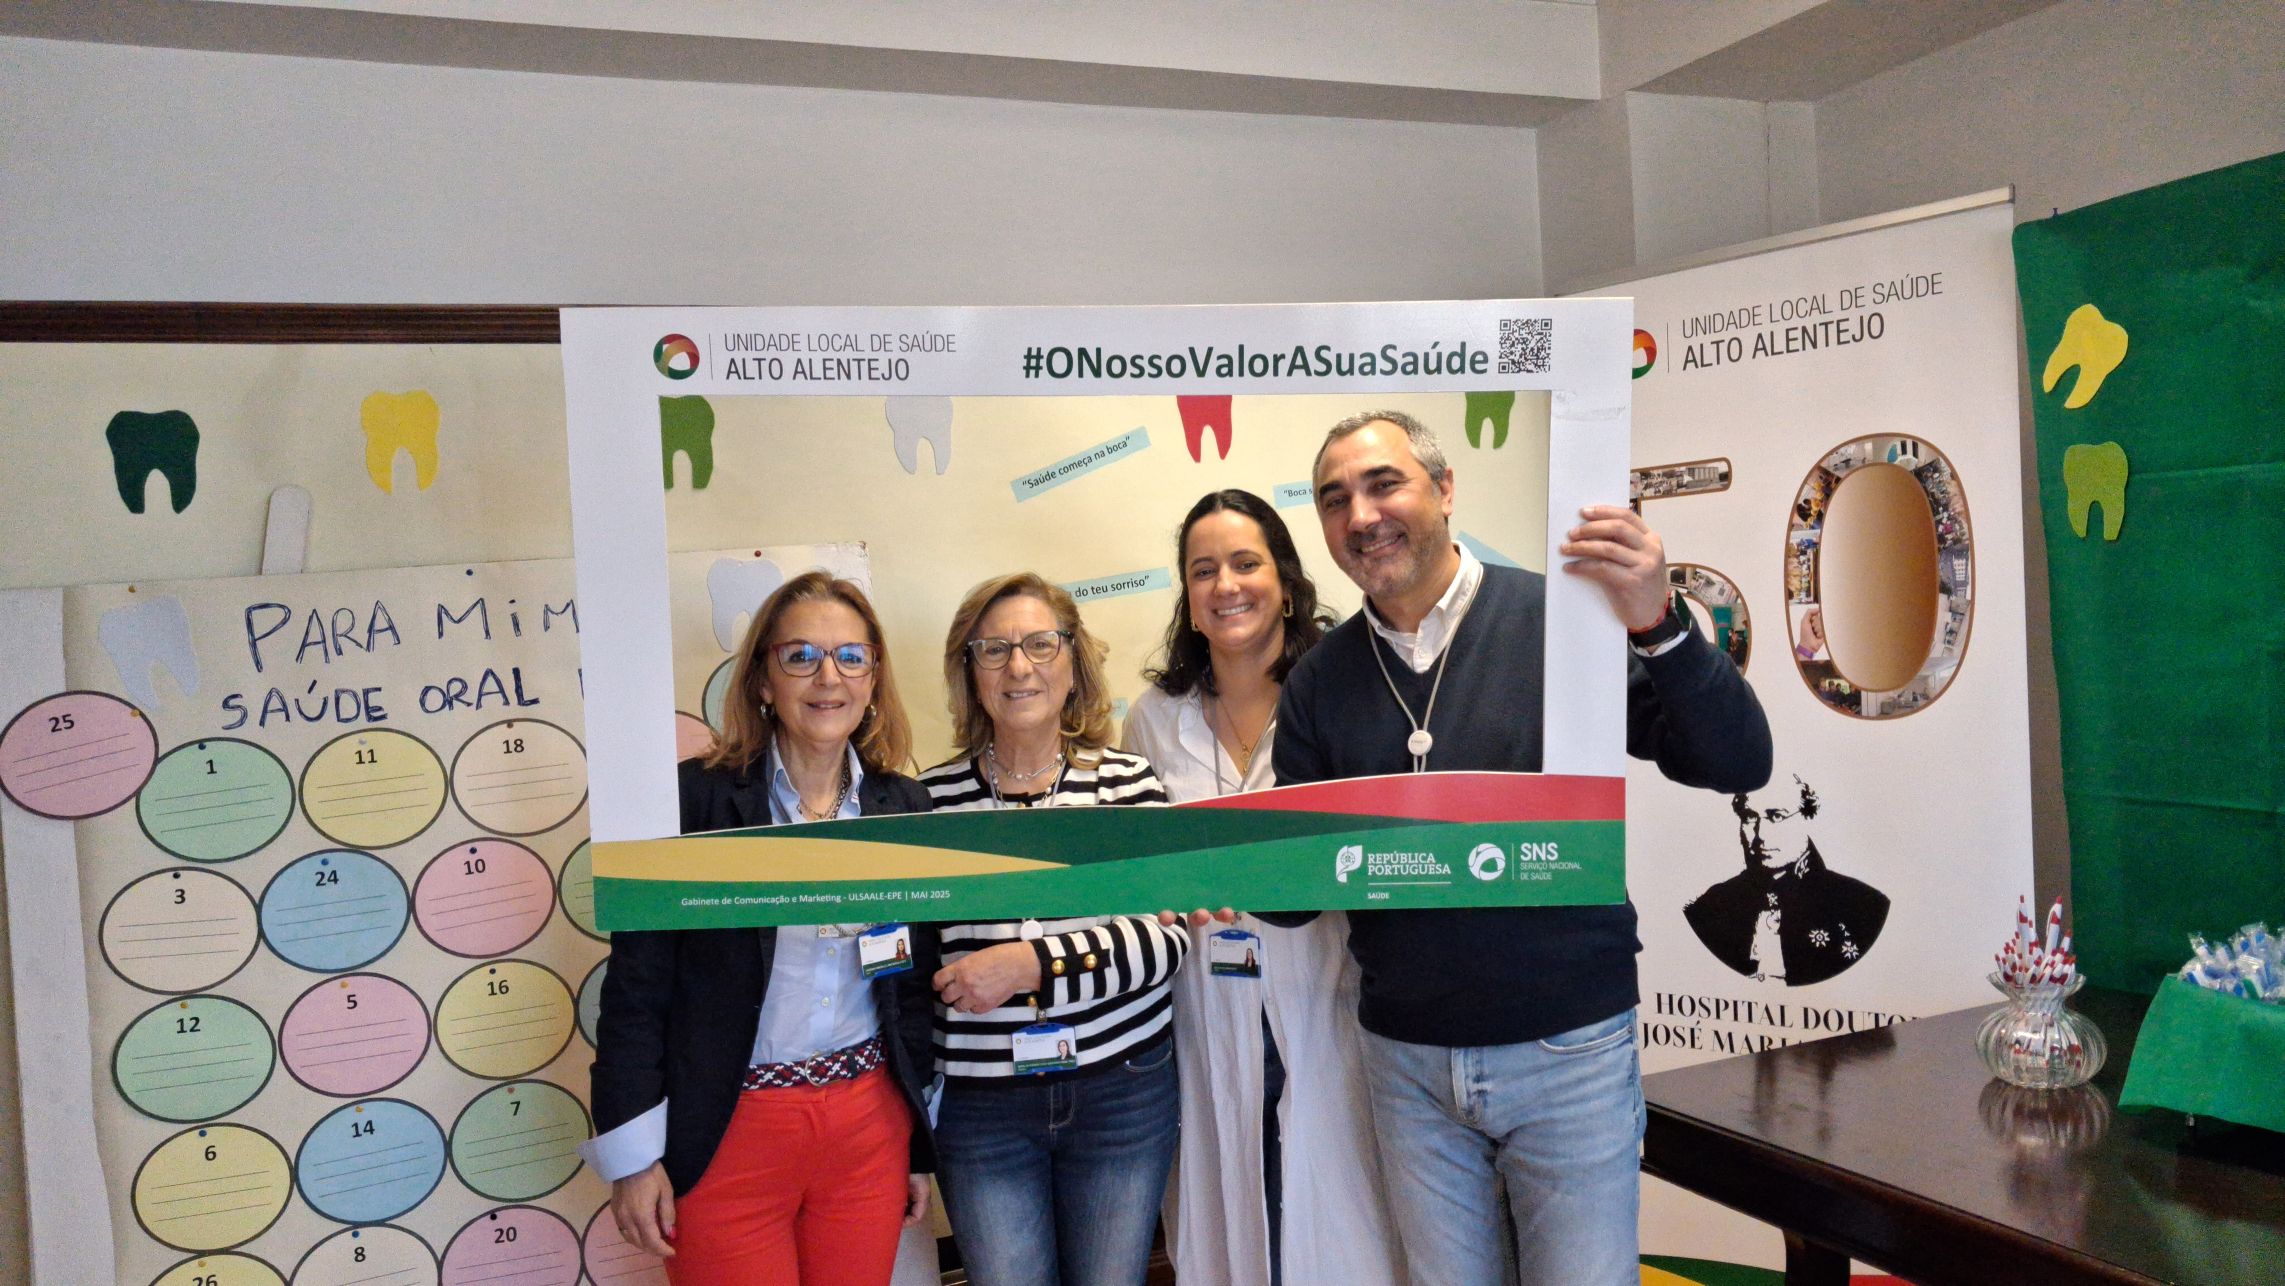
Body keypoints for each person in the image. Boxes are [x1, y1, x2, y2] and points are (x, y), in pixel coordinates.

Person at [1262, 410, 1772, 1286]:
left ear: (1444, 489)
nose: (1360, 516)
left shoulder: (1561, 621)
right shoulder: (1317, 679)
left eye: (1383, 485)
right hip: (1406, 1065)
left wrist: (1658, 623)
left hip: (1567, 1051)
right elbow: (1296, 893)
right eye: (1334, 499)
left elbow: (1735, 761)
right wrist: (1219, 870)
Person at [584, 571, 938, 1286]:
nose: (828, 677)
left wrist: (916, 1143)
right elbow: (636, 992)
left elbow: (913, 989)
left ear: (873, 678)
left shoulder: (905, 808)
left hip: (868, 1130)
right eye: (800, 656)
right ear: (763, 681)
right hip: (724, 1131)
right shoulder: (691, 802)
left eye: (851, 656)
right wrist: (633, 1158)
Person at [1120, 489, 1403, 1286]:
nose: (1225, 586)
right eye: (1202, 570)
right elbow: (1139, 871)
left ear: (1283, 579)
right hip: (1204, 1012)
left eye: (1245, 563)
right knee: (1227, 1219)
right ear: (1187, 594)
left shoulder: (1346, 693)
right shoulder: (1152, 718)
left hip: (1329, 1000)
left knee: (1345, 1221)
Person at [918, 572, 1186, 1286]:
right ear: (969, 671)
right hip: (981, 1112)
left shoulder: (1127, 783)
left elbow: (1165, 940)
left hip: (1121, 1094)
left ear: (1072, 662)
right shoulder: (929, 802)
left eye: (1040, 644)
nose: (1019, 667)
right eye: (994, 649)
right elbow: (911, 968)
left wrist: (1034, 964)